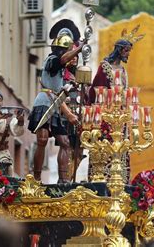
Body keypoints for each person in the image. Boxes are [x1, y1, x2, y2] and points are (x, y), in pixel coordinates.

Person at [28, 19, 82, 183]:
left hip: (55, 104)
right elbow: (62, 60)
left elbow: (60, 90)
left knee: (64, 142)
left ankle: (63, 179)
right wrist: (79, 48)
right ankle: (36, 179)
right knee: (42, 139)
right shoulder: (52, 60)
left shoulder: (63, 69)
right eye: (67, 49)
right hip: (44, 102)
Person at [88, 26, 144, 181]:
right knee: (105, 145)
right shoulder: (105, 66)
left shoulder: (123, 70)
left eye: (129, 51)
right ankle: (101, 177)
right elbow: (96, 90)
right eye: (126, 51)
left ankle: (119, 179)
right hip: (106, 115)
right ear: (119, 50)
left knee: (121, 147)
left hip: (121, 116)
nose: (128, 54)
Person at [0, 91, 25, 174]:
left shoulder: (8, 119)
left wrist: (20, 122)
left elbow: (17, 132)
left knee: (7, 167)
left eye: (0, 100)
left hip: (3, 154)